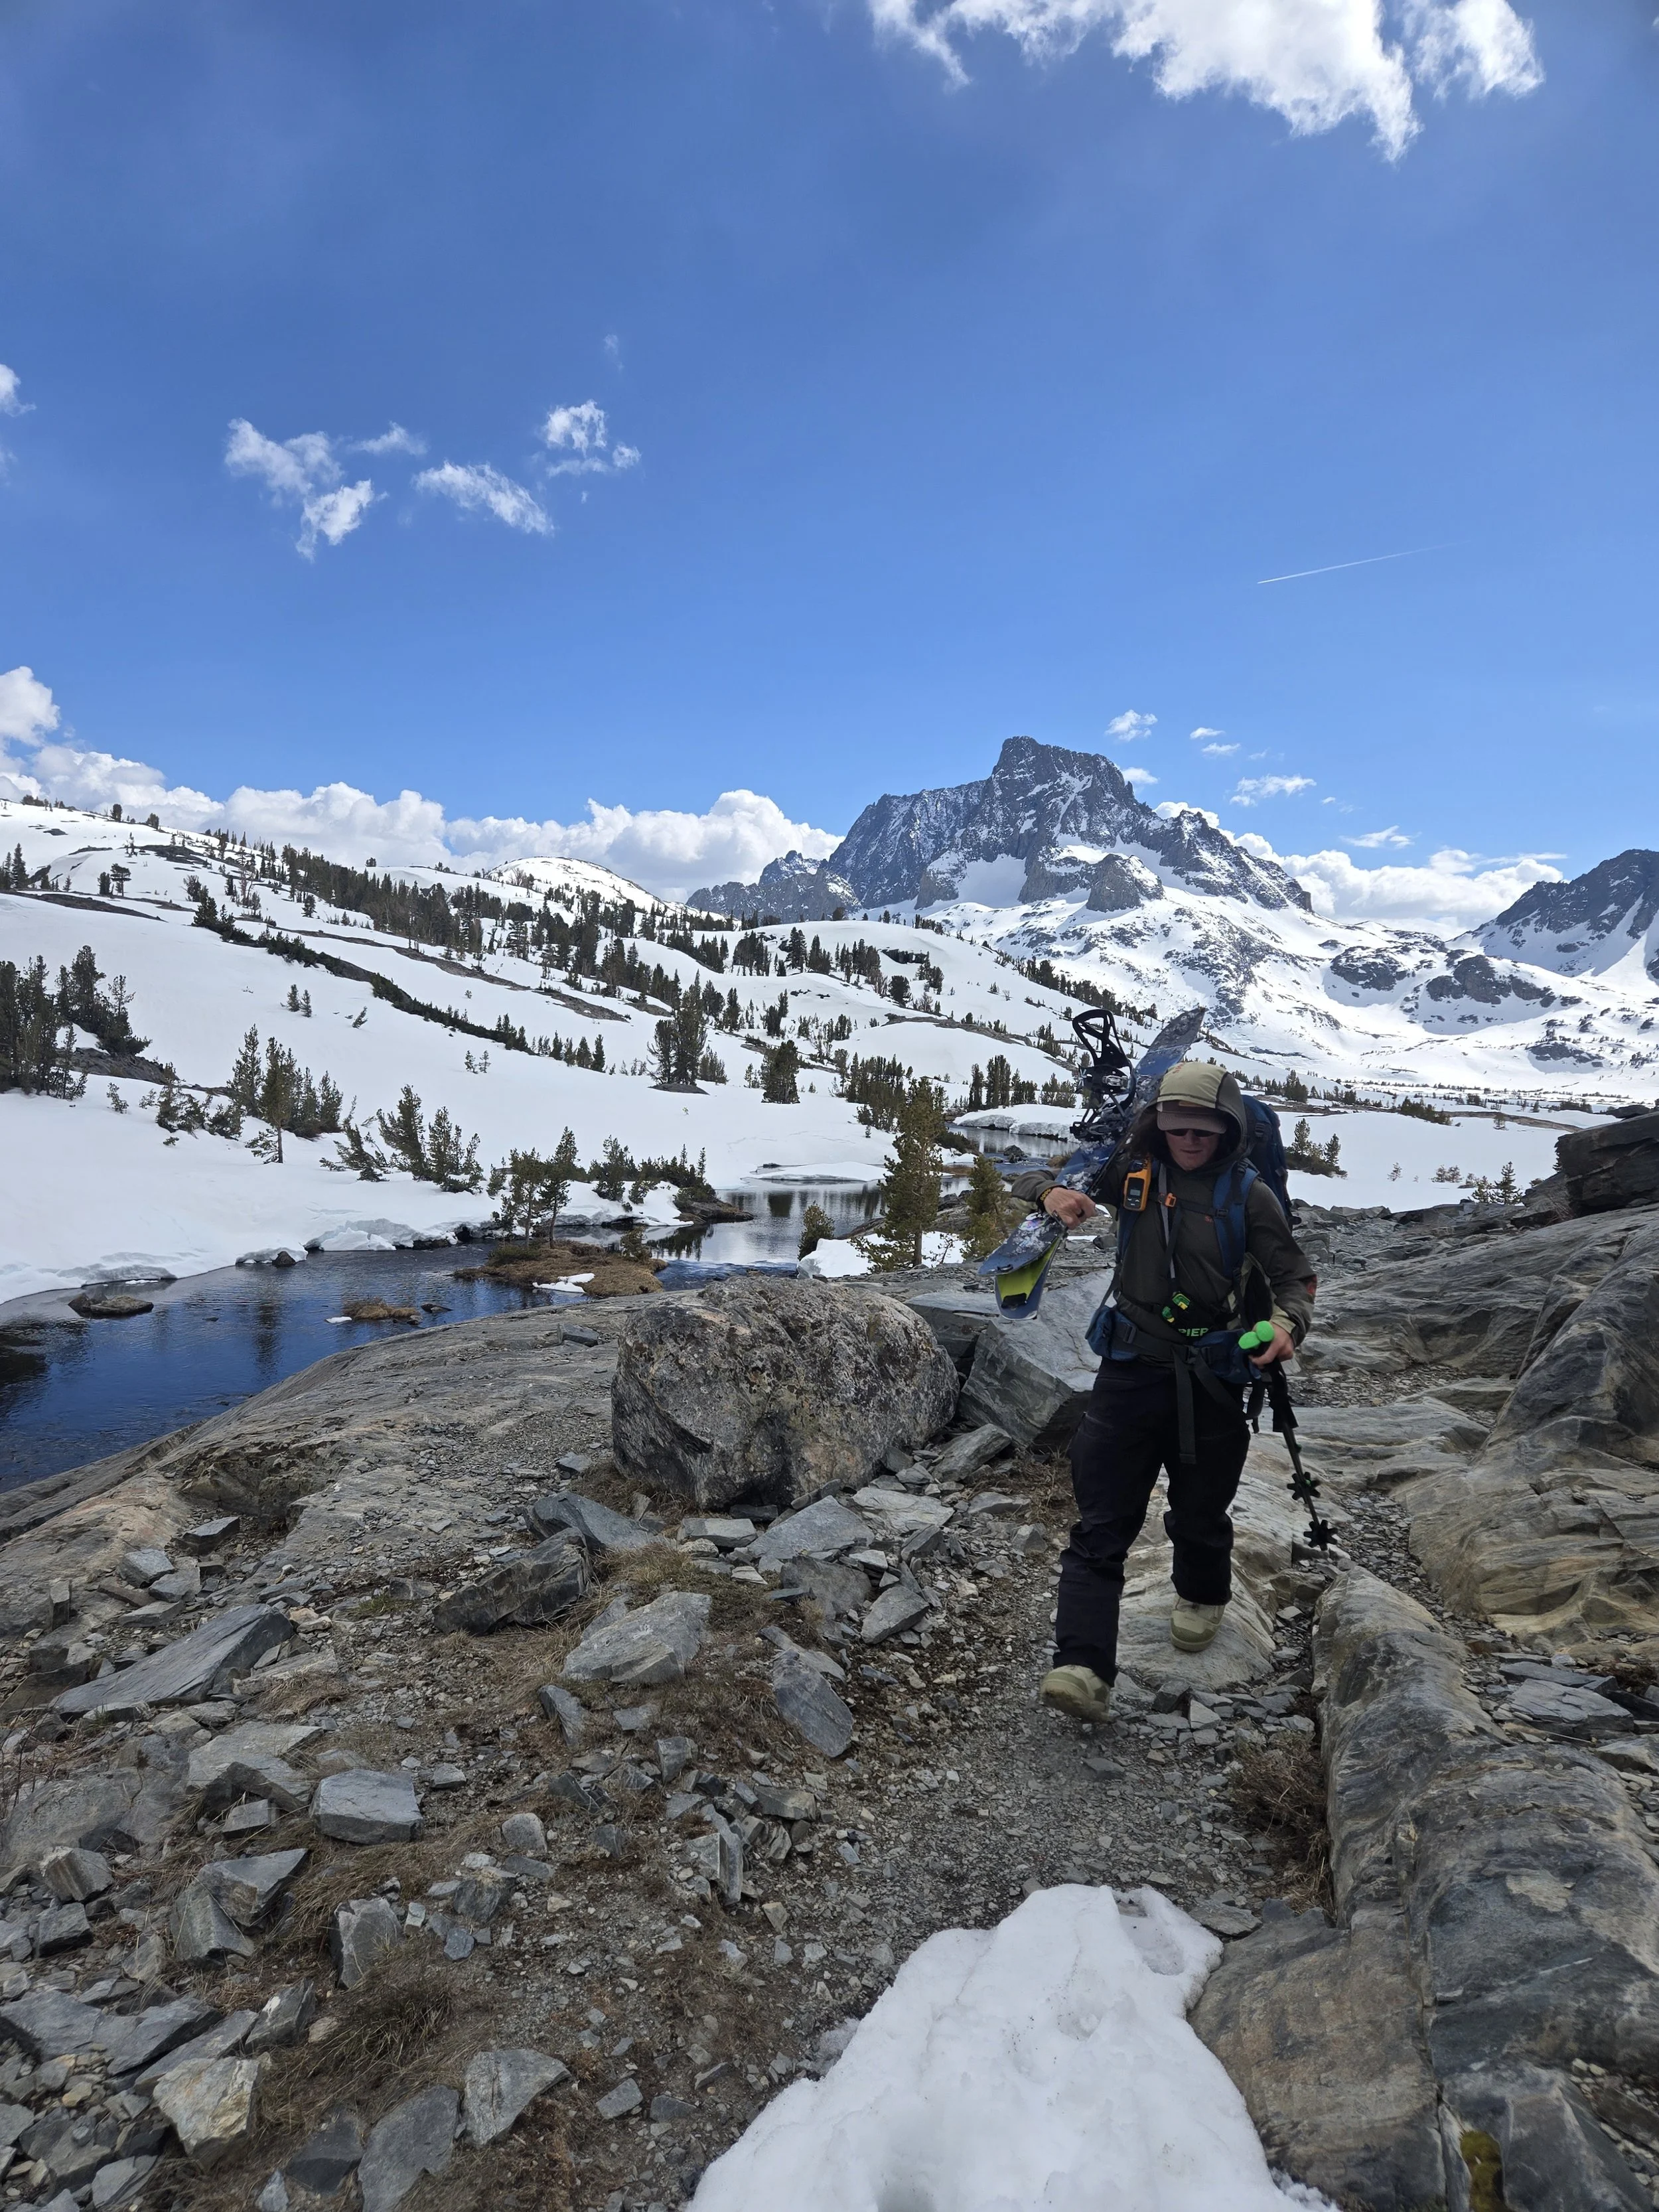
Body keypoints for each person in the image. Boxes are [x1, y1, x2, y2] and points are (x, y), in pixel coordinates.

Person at [1009, 1059, 1316, 1726]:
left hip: (1211, 1375)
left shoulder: (1248, 1195)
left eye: (1204, 1131)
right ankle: (1081, 1667)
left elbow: (1295, 1278)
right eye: (1178, 1129)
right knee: (1099, 1526)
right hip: (1127, 1367)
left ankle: (1202, 1596)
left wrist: (1287, 1326)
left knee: (1200, 1513)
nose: (1190, 1141)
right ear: (1158, 1124)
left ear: (1228, 1129)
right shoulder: (1132, 1173)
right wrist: (1050, 1197)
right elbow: (1037, 1177)